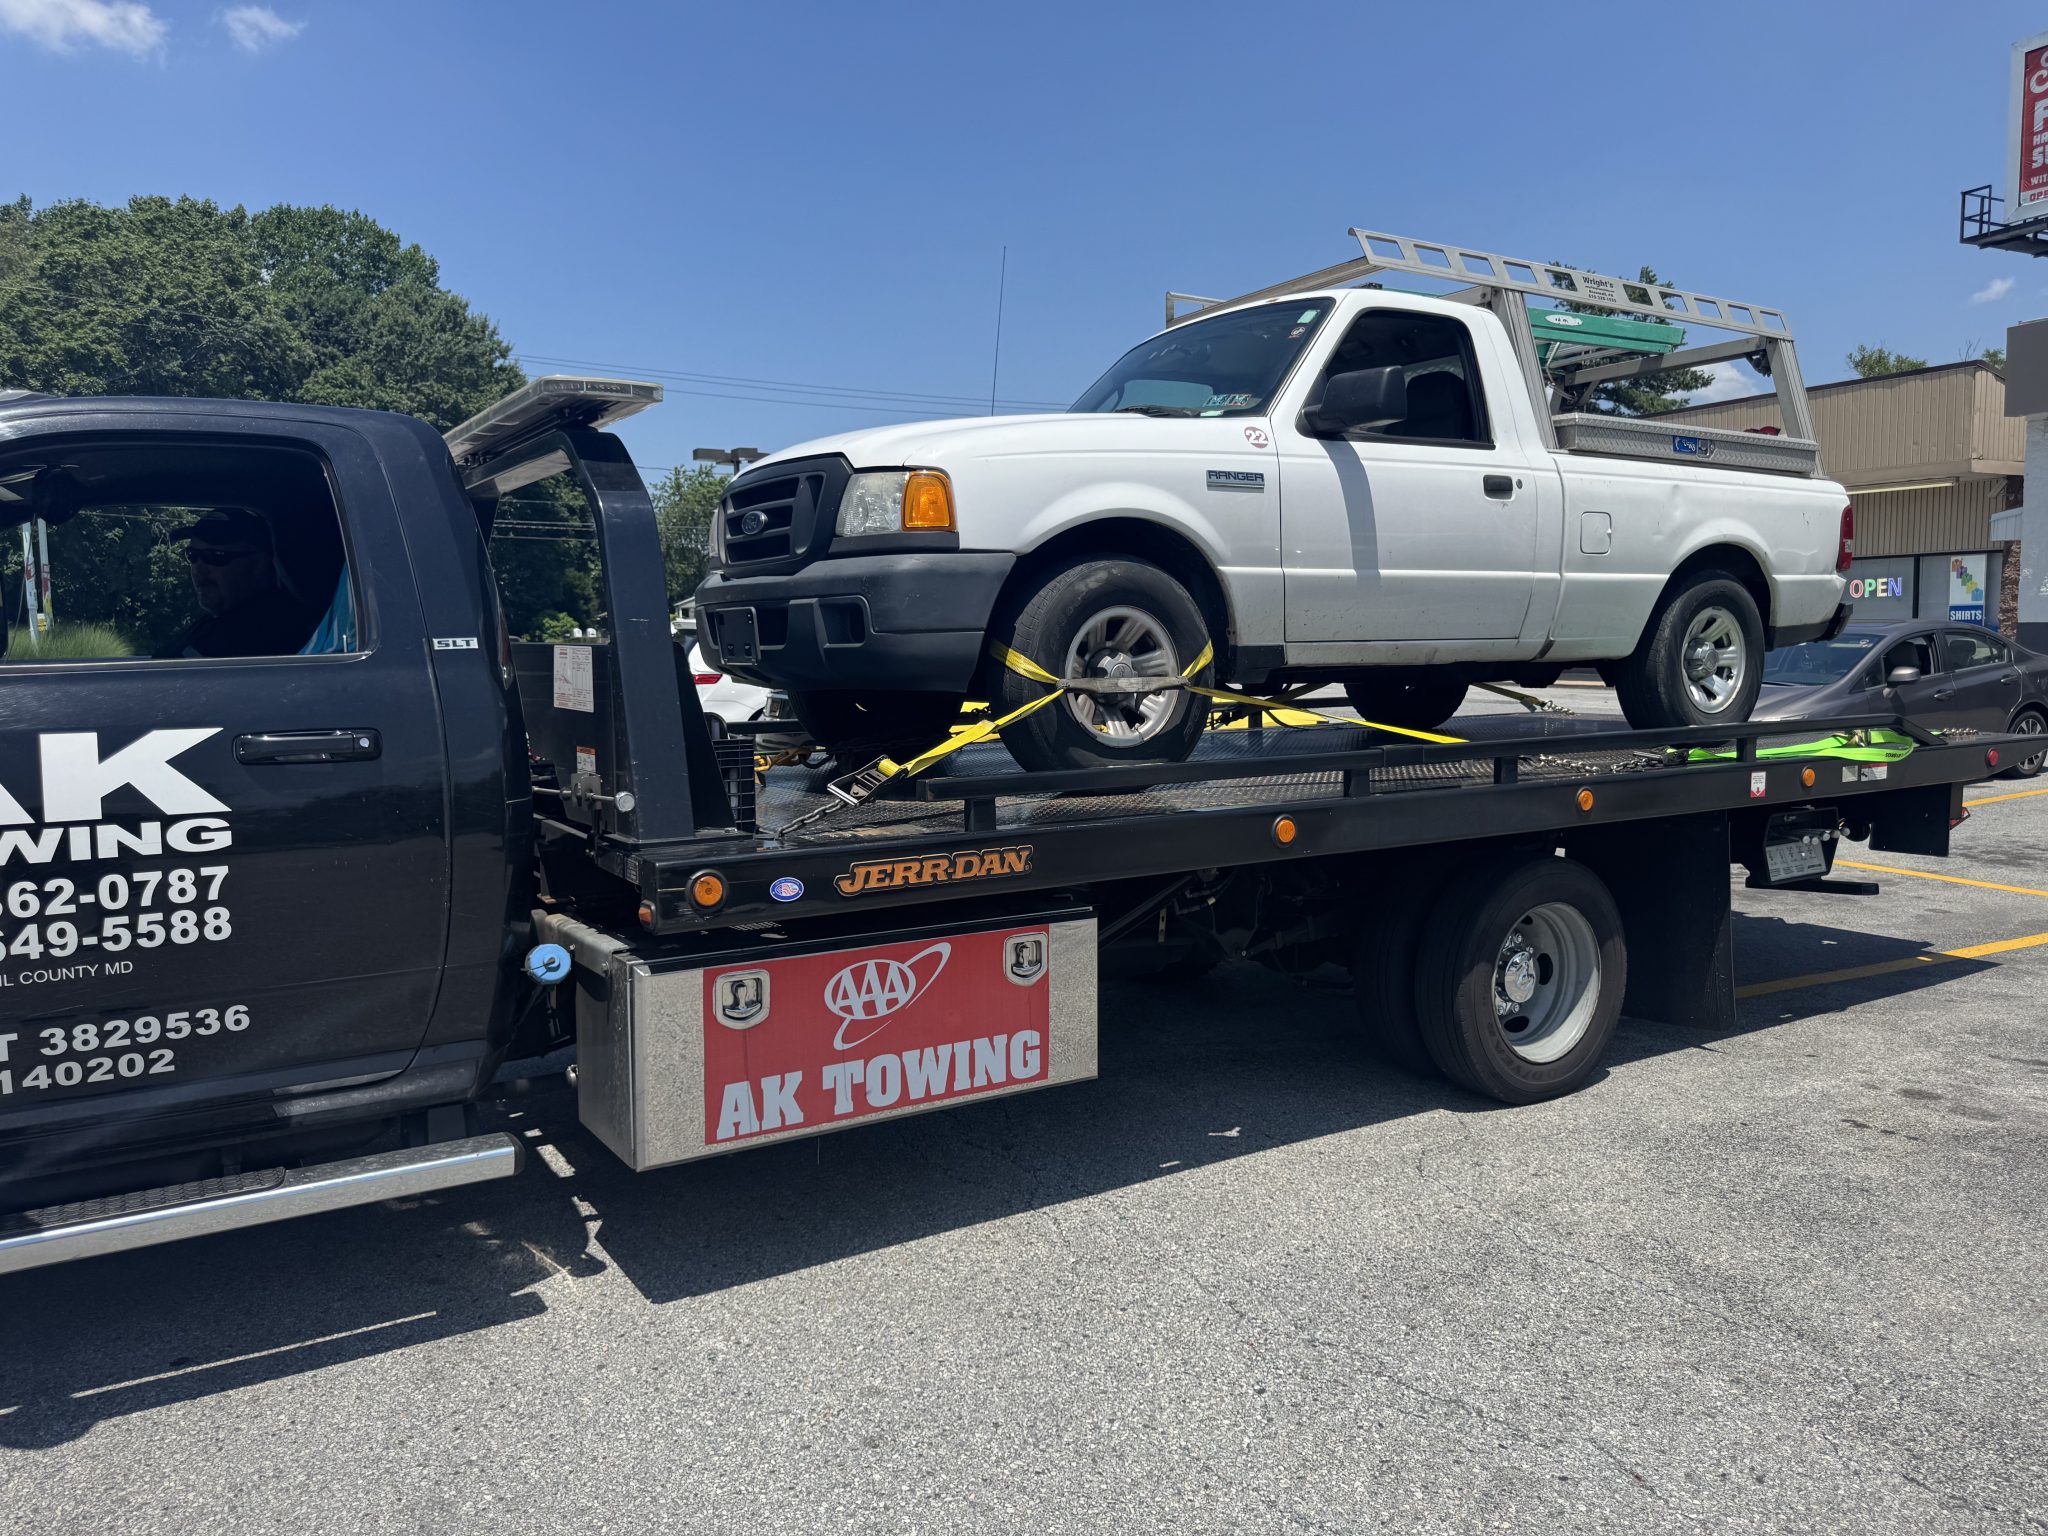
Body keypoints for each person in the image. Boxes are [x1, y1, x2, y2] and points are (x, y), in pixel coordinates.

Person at [158, 508, 321, 659]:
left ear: (259, 565)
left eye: (215, 556)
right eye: (192, 555)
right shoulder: (219, 622)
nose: (198, 569)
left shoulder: (260, 632)